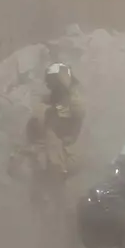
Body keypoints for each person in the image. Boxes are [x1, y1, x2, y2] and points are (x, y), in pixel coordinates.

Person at [8, 62, 86, 215]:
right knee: (40, 199)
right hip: (42, 159)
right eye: (50, 81)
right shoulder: (45, 104)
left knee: (58, 199)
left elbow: (77, 114)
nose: (51, 85)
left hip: (59, 160)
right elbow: (33, 129)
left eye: (55, 81)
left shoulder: (72, 104)